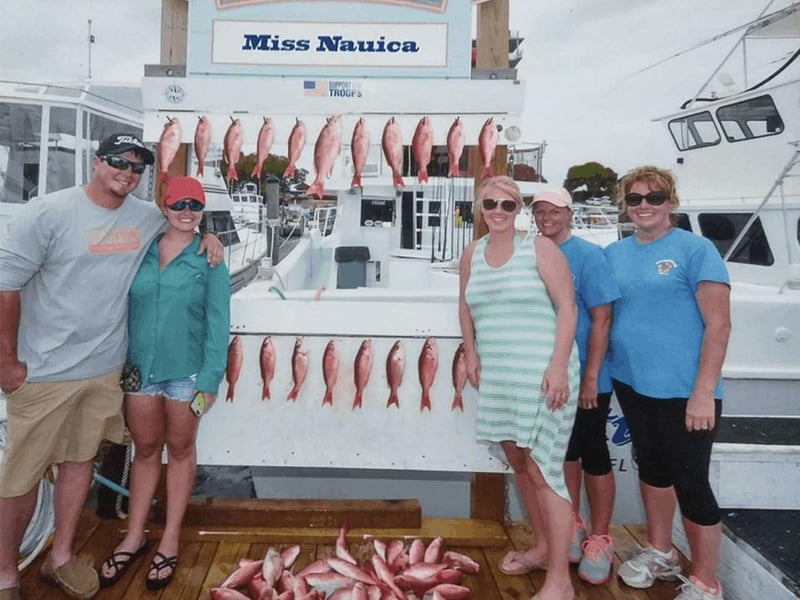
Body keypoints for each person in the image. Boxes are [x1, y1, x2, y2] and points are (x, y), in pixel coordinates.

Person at [0, 134, 222, 600]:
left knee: (80, 462)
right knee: (20, 477)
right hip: (45, 372)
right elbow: (6, 284)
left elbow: (188, 238)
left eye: (137, 167)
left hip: (105, 372)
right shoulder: (50, 211)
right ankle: (6, 575)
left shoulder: (152, 221)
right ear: (97, 162)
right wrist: (6, 362)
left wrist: (211, 236)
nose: (127, 171)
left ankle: (61, 558)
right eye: (118, 161)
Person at [98, 176, 230, 591]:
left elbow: (218, 324)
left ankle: (170, 539)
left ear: (202, 210)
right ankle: (134, 536)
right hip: (140, 371)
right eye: (178, 204)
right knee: (146, 450)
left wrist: (209, 381)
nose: (187, 211)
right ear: (164, 207)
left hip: (188, 376)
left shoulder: (210, 259)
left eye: (195, 205)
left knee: (182, 449)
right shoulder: (140, 251)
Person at [606, 166, 731, 600]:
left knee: (691, 480)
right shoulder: (615, 253)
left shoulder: (696, 251)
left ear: (670, 202)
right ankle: (662, 552)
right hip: (632, 383)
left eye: (654, 197)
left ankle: (706, 580)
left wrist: (703, 393)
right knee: (654, 470)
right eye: (635, 199)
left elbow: (718, 325)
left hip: (685, 390)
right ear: (625, 206)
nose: (644, 206)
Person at [459, 176, 580, 600]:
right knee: (521, 462)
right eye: (490, 203)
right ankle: (545, 547)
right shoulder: (472, 253)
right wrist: (470, 351)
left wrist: (560, 366)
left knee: (545, 470)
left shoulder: (540, 248)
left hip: (543, 373)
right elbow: (465, 305)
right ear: (480, 208)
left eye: (507, 204)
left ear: (519, 209)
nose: (498, 210)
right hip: (500, 375)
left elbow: (568, 306)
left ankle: (560, 582)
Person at [532, 187, 620, 585]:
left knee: (595, 454)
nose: (546, 217)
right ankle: (572, 524)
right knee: (565, 453)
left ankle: (601, 536)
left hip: (586, 377)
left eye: (554, 211)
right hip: (551, 375)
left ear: (569, 213)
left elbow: (602, 319)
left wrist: (589, 378)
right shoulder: (531, 252)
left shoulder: (588, 256)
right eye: (539, 211)